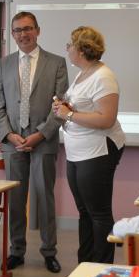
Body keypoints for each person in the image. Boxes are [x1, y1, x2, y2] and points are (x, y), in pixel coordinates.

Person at [0, 11, 68, 273]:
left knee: (44, 197)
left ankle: (49, 251)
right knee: (15, 198)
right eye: (17, 30)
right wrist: (9, 134)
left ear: (38, 30)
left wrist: (40, 135)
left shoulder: (56, 63)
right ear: (12, 34)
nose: (23, 34)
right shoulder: (5, 64)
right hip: (13, 142)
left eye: (27, 29)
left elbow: (61, 105)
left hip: (43, 141)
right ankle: (17, 250)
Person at [52, 26, 125, 264]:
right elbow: (87, 109)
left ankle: (101, 269)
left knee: (99, 213)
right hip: (78, 152)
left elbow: (106, 119)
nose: (67, 49)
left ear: (81, 50)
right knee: (85, 212)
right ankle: (84, 265)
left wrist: (69, 115)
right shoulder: (83, 72)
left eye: (69, 45)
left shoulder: (103, 77)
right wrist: (67, 109)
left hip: (98, 151)